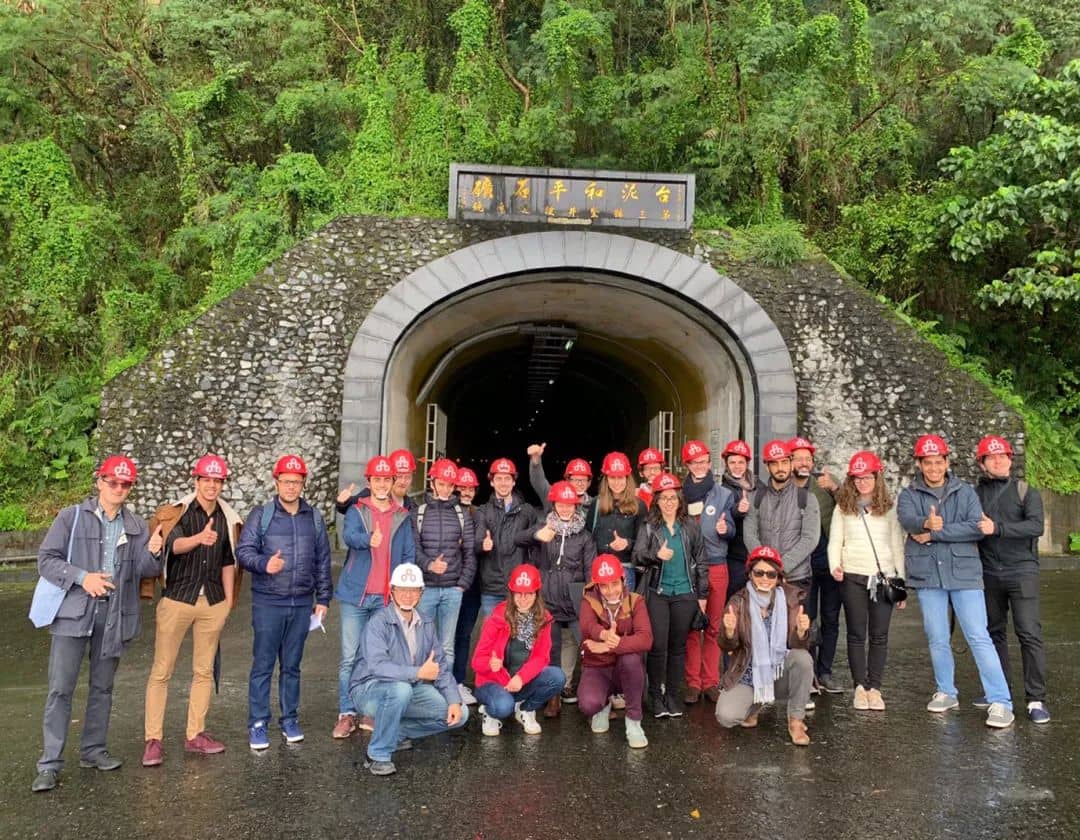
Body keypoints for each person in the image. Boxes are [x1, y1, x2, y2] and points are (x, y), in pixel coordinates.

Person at [32, 455, 163, 793]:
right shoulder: (71, 517)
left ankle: (93, 751)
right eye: (112, 482)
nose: (118, 488)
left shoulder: (136, 525)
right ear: (99, 481)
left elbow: (145, 571)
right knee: (60, 689)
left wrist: (154, 552)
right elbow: (46, 560)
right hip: (73, 613)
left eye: (125, 484)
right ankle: (49, 764)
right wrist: (82, 577)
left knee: (102, 688)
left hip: (114, 614)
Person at [897, 434, 1015, 728]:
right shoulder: (909, 493)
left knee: (978, 636)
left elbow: (976, 527)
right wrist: (924, 522)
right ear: (919, 464)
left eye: (939, 462)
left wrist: (935, 532)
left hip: (965, 574)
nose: (934, 468)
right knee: (937, 638)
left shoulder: (965, 492)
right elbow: (906, 519)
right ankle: (946, 691)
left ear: (947, 462)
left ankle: (1001, 701)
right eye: (928, 462)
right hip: (928, 575)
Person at [142, 454, 241, 767]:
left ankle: (195, 733)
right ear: (196, 481)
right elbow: (173, 546)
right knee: (162, 671)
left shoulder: (227, 517)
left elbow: (228, 560)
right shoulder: (181, 512)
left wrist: (228, 602)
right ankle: (153, 740)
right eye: (206, 479)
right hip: (177, 599)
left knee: (203, 671)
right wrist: (199, 538)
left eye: (217, 481)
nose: (212, 485)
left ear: (222, 484)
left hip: (212, 602)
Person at [236, 454, 333, 749]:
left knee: (292, 666)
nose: (291, 486)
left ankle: (289, 719)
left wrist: (323, 598)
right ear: (276, 482)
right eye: (286, 481)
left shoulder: (314, 518)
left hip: (301, 603)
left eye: (296, 482)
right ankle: (258, 723)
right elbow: (243, 551)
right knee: (263, 665)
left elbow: (322, 561)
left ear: (303, 484)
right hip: (268, 602)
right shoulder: (261, 515)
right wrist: (265, 564)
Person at [348, 563, 468, 776]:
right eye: (402, 589)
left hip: (408, 688)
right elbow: (377, 666)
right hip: (368, 690)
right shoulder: (378, 623)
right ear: (391, 591)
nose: (408, 595)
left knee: (461, 713)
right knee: (400, 690)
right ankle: (377, 754)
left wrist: (453, 700)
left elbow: (439, 665)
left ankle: (394, 734)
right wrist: (418, 673)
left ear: (421, 593)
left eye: (413, 590)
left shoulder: (426, 623)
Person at [333, 455, 416, 739]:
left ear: (393, 482)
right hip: (356, 596)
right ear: (369, 482)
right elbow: (349, 536)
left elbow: (408, 554)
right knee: (349, 657)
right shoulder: (357, 510)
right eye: (377, 479)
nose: (382, 484)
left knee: (377, 657)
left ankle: (370, 708)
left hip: (385, 599)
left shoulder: (402, 515)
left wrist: (405, 589)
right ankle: (346, 713)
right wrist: (368, 540)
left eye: (386, 479)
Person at [974, 435, 1050, 723]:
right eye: (991, 457)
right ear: (982, 463)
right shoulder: (975, 494)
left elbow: (1036, 526)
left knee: (1029, 633)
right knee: (993, 633)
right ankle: (999, 691)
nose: (998, 460)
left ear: (1010, 459)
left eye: (1002, 456)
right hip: (988, 573)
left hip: (1022, 571)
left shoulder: (1026, 491)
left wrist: (998, 528)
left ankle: (1036, 698)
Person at [827, 451, 907, 711]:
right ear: (851, 480)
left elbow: (897, 545)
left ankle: (875, 688)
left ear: (877, 478)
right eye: (858, 478)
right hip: (853, 575)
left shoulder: (889, 509)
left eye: (867, 477)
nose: (863, 483)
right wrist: (835, 565)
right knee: (856, 634)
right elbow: (835, 540)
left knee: (879, 635)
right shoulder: (843, 507)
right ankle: (859, 687)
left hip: (883, 577)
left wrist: (901, 583)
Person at [715, 546, 814, 745]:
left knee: (803, 659)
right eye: (759, 573)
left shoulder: (790, 599)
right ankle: (755, 705)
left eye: (771, 574)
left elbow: (798, 644)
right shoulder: (737, 601)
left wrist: (802, 632)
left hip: (778, 673)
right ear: (750, 574)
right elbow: (726, 646)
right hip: (748, 675)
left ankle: (796, 721)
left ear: (778, 576)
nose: (764, 578)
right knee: (726, 717)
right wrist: (729, 631)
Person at [632, 472, 708, 719]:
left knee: (678, 647)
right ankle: (656, 696)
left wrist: (702, 595)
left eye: (672, 497)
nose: (668, 502)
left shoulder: (691, 526)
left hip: (685, 594)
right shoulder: (648, 526)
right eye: (663, 498)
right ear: (656, 500)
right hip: (658, 592)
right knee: (658, 647)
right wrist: (656, 555)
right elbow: (637, 557)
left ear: (679, 499)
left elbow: (701, 560)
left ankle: (672, 696)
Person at [471, 564, 565, 736]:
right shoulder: (496, 618)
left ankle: (525, 709)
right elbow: (477, 661)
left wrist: (521, 678)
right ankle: (490, 713)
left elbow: (541, 657)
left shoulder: (543, 619)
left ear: (536, 594)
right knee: (502, 707)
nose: (523, 599)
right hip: (493, 682)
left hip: (520, 682)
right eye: (518, 593)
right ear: (511, 594)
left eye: (528, 593)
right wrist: (490, 663)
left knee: (557, 677)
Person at [530, 480, 597, 716]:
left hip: (576, 600)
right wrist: (537, 536)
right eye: (561, 504)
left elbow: (590, 571)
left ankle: (596, 695)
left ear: (575, 506)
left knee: (588, 647)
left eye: (570, 504)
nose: (566, 508)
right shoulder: (545, 529)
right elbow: (523, 543)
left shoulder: (585, 536)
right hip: (549, 599)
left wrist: (589, 601)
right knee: (552, 649)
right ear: (554, 505)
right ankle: (554, 696)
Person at [679, 440, 735, 705]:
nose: (700, 466)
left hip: (716, 564)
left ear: (710, 463)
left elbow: (732, 528)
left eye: (703, 461)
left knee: (713, 627)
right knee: (692, 628)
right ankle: (693, 683)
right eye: (694, 462)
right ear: (687, 465)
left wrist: (726, 530)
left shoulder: (723, 495)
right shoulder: (679, 495)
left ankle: (710, 681)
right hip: (689, 567)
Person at [578, 555, 653, 748]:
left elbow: (646, 639)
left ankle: (633, 722)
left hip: (623, 669)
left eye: (614, 584)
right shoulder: (588, 600)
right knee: (588, 704)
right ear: (597, 586)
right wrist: (604, 634)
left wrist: (611, 645)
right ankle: (603, 705)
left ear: (623, 580)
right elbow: (587, 626)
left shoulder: (636, 601)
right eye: (604, 586)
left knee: (631, 659)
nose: (610, 591)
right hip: (598, 667)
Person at [789, 436, 842, 695]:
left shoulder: (825, 482)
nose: (803, 463)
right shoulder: (783, 487)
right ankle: (808, 675)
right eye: (798, 458)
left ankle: (825, 672)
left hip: (829, 563)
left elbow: (852, 508)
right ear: (789, 461)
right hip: (801, 567)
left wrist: (835, 488)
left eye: (807, 458)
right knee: (804, 619)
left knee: (831, 618)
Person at [414, 459, 476, 677]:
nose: (445, 489)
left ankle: (445, 691)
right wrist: (429, 565)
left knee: (447, 647)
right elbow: (414, 549)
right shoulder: (419, 513)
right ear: (432, 482)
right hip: (426, 589)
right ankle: (423, 691)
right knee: (423, 644)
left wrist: (462, 584)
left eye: (450, 485)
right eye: (441, 484)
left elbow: (469, 552)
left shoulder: (461, 514)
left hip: (452, 590)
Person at [744, 439, 820, 594]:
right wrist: (766, 567)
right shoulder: (755, 497)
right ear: (767, 467)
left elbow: (810, 539)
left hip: (797, 578)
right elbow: (750, 535)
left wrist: (780, 568)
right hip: (763, 577)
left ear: (791, 464)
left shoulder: (807, 498)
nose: (780, 468)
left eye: (784, 462)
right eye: (774, 463)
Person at [474, 457, 539, 617]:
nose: (503, 483)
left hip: (520, 586)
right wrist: (482, 544)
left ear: (514, 482)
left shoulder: (527, 511)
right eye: (499, 479)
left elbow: (535, 547)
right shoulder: (483, 511)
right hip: (491, 587)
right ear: (492, 482)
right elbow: (476, 543)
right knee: (493, 630)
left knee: (518, 631)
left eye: (507, 479)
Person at [591, 451, 647, 591]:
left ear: (627, 478)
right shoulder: (596, 503)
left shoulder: (639, 505)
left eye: (620, 477)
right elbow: (588, 538)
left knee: (624, 606)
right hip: (599, 568)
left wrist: (627, 543)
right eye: (612, 477)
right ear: (606, 479)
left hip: (625, 570)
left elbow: (644, 543)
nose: (616, 482)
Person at [451, 466, 483, 705]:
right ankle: (440, 682)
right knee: (442, 635)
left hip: (472, 585)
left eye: (470, 488)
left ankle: (458, 682)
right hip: (446, 582)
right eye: (462, 487)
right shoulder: (444, 511)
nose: (466, 491)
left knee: (463, 635)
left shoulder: (478, 514)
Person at [719, 439, 763, 600]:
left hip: (758, 551)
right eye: (732, 462)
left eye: (740, 462)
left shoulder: (759, 485)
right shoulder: (722, 490)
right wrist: (738, 510)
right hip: (735, 554)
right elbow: (724, 516)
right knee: (735, 597)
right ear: (726, 464)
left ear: (747, 463)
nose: (737, 466)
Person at [335, 447, 419, 515]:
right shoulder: (371, 494)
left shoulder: (413, 507)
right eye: (399, 477)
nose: (403, 482)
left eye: (408, 477)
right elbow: (348, 508)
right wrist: (343, 502)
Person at [528, 442, 596, 521]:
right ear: (567, 480)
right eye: (575, 480)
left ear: (589, 482)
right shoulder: (555, 495)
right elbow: (539, 482)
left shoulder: (596, 505)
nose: (579, 483)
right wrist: (536, 463)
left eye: (583, 480)